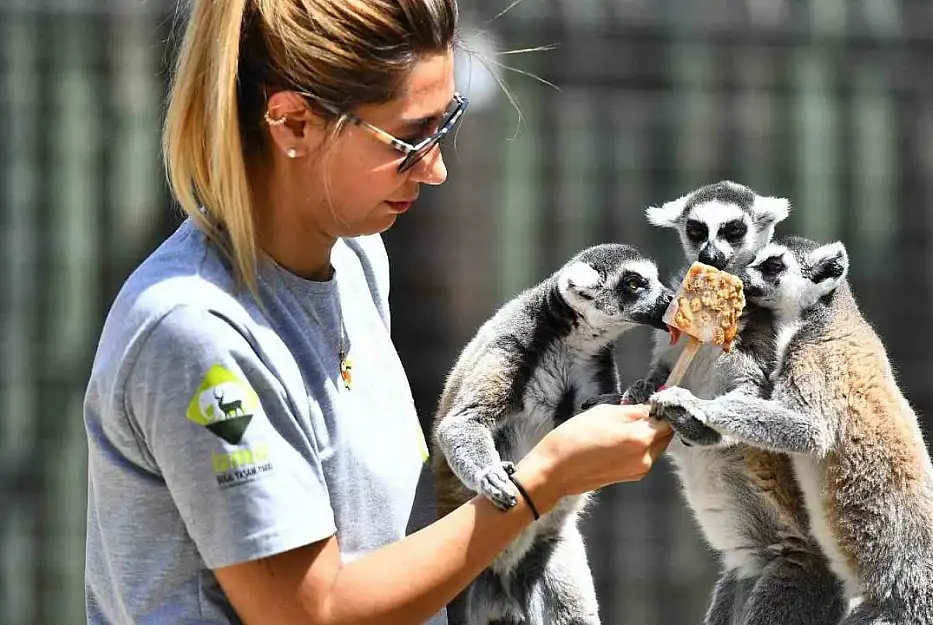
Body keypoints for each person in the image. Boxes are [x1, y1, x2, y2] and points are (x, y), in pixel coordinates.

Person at [81, 1, 674, 624]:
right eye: (411, 139)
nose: (437, 169)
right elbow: (314, 613)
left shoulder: (358, 255)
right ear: (293, 124)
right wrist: (540, 482)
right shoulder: (196, 331)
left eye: (446, 127)